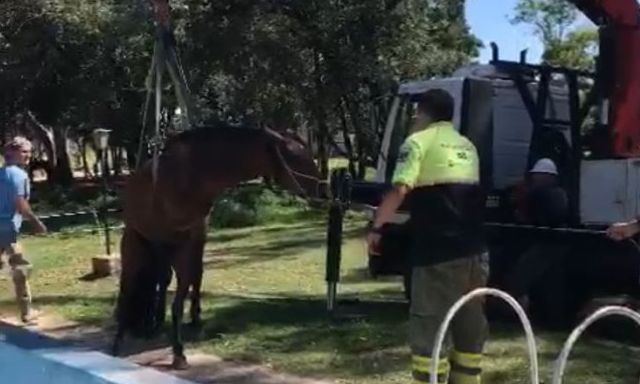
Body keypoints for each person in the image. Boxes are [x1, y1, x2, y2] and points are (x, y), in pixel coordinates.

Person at [367, 89, 488, 384]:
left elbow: (400, 190)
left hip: (437, 254)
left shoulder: (417, 142)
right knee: (469, 336)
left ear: (422, 112)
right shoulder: (467, 146)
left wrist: (377, 228)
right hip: (475, 254)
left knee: (429, 333)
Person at [505, 158, 570, 325]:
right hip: (559, 244)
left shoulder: (538, 194)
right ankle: (555, 320)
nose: (534, 179)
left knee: (519, 280)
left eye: (537, 176)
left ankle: (521, 320)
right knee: (552, 284)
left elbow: (530, 218)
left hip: (545, 244)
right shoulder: (561, 193)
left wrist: (518, 210)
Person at [0, 136, 47, 324]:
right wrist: (36, 222)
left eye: (29, 151)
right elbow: (21, 204)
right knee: (20, 268)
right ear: (11, 153)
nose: (28, 155)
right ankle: (26, 312)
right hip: (8, 229)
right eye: (24, 151)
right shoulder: (19, 176)